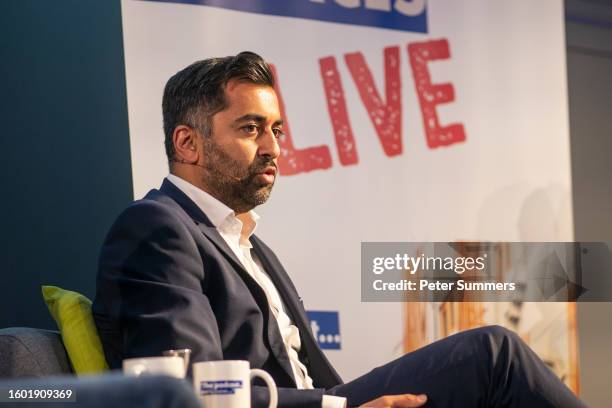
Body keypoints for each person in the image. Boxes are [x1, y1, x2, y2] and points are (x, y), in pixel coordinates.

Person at [92, 52, 586, 408]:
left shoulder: (248, 244)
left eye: (277, 130)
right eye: (250, 128)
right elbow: (194, 389)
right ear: (188, 143)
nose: (273, 148)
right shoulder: (158, 227)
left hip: (331, 401)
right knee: (492, 354)